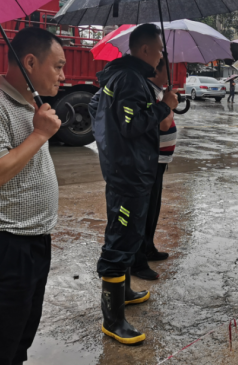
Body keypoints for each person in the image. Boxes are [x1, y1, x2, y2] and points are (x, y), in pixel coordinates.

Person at [0, 28, 65, 364]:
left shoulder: (30, 105)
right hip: (2, 250)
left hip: (33, 245)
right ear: (30, 62)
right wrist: (39, 135)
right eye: (58, 66)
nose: (64, 75)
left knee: (17, 342)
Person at [91, 24, 178, 345]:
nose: (160, 57)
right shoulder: (129, 79)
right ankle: (112, 320)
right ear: (144, 50)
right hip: (128, 174)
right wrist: (164, 106)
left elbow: (96, 109)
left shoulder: (125, 77)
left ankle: (124, 290)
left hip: (132, 170)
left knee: (130, 235)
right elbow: (130, 125)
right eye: (158, 50)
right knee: (121, 237)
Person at [132, 56, 176, 280]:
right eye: (167, 70)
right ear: (156, 71)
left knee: (153, 208)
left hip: (159, 161)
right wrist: (168, 105)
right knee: (144, 210)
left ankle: (148, 246)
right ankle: (137, 259)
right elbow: (163, 124)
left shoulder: (157, 91)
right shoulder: (147, 91)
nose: (170, 75)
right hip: (149, 161)